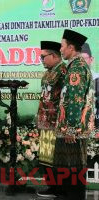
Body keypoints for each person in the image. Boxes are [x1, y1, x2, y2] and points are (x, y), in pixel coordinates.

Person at [55, 29, 95, 200]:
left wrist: (71, 129)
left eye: (62, 46)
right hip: (72, 127)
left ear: (71, 47)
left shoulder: (77, 67)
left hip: (73, 128)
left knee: (74, 166)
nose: (61, 50)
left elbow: (75, 100)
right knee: (69, 165)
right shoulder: (74, 65)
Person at [36, 41, 67, 198]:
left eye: (43, 56)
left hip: (55, 123)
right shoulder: (49, 72)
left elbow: (65, 100)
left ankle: (59, 190)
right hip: (45, 122)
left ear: (54, 56)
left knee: (55, 159)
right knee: (46, 158)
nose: (41, 59)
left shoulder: (62, 72)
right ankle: (52, 187)